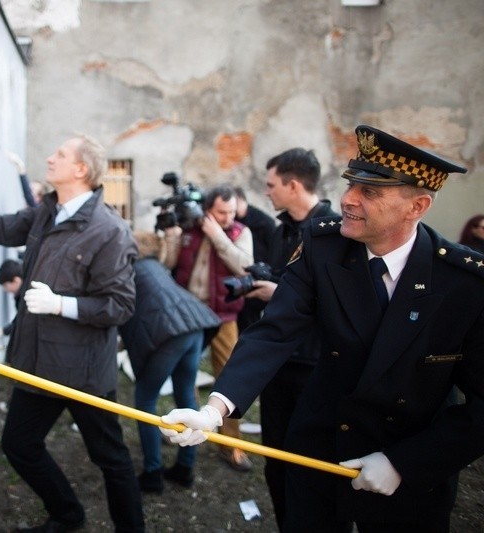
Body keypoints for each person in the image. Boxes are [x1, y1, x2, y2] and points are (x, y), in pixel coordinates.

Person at [161, 125, 484, 532]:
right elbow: (274, 331)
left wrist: (404, 463)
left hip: (410, 466)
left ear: (416, 206)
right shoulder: (324, 246)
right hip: (320, 450)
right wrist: (214, 411)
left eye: (370, 192)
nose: (347, 199)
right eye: (351, 185)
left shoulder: (464, 282)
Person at [0, 134, 144, 532]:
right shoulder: (47, 210)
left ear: (81, 170)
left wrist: (61, 304)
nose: (49, 157)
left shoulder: (108, 230)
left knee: (110, 458)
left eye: (60, 154)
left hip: (82, 372)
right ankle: (67, 514)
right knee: (19, 445)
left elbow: (121, 306)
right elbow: (0, 227)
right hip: (37, 362)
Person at [244, 147, 339, 529]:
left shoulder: (337, 232)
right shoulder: (282, 230)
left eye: (271, 185)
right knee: (276, 458)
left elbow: (338, 303)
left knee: (314, 464)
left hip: (316, 367)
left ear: (294, 185)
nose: (266, 193)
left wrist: (277, 293)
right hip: (279, 366)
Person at [118, 230, 221, 493]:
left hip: (169, 334)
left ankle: (152, 473)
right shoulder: (154, 266)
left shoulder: (129, 271)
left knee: (145, 400)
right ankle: (185, 469)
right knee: (186, 393)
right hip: (193, 325)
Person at [162, 184, 255, 472]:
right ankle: (182, 426)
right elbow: (168, 263)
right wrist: (171, 238)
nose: (226, 217)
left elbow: (245, 267)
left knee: (228, 381)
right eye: (220, 212)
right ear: (207, 210)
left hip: (224, 316)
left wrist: (219, 238)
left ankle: (231, 445)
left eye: (230, 211)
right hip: (189, 316)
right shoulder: (191, 229)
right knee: (184, 376)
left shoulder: (240, 232)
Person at [233, 186, 277, 331]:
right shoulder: (233, 220)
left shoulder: (264, 223)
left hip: (260, 278)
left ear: (241, 200)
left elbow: (274, 253)